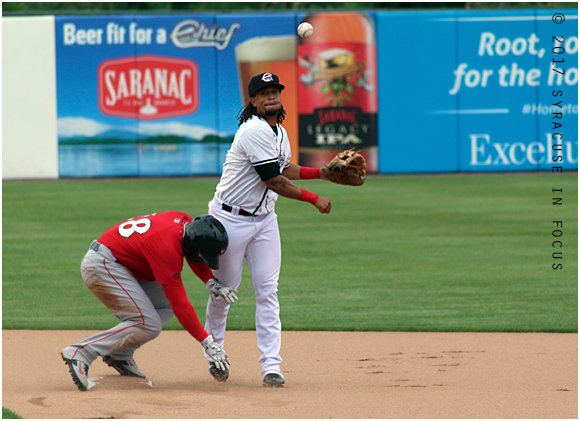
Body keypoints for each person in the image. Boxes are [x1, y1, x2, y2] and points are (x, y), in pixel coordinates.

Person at [203, 72, 334, 388]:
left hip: (263, 220)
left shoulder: (279, 132)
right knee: (225, 290)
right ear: (254, 101)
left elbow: (284, 168)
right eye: (263, 92)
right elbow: (272, 180)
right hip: (229, 221)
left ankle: (271, 366)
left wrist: (322, 173)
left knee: (268, 290)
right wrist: (315, 198)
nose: (270, 95)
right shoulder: (252, 131)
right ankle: (214, 351)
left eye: (274, 90)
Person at [60, 211, 237, 391]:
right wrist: (207, 341)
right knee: (148, 324)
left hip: (124, 266)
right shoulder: (167, 248)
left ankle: (121, 354)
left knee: (164, 306)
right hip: (103, 265)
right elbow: (180, 304)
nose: (202, 260)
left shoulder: (186, 225)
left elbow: (193, 253)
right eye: (202, 255)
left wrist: (210, 281)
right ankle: (81, 352)